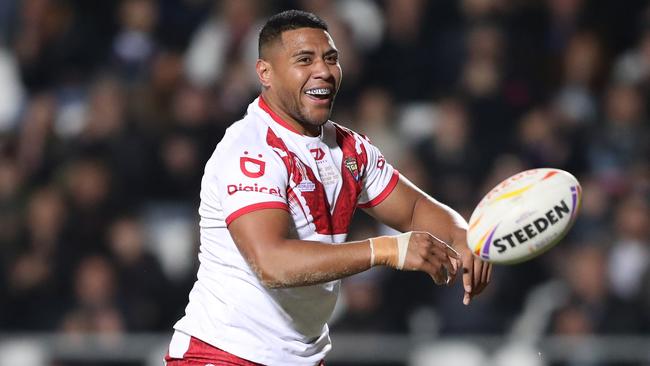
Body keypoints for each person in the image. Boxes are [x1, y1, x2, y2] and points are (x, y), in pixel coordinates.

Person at [166, 10, 492, 366]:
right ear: (265, 73)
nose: (323, 70)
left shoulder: (349, 149)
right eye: (304, 59)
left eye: (330, 58)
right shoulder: (250, 149)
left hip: (300, 357)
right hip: (223, 355)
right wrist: (386, 249)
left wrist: (464, 238)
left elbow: (413, 210)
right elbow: (272, 262)